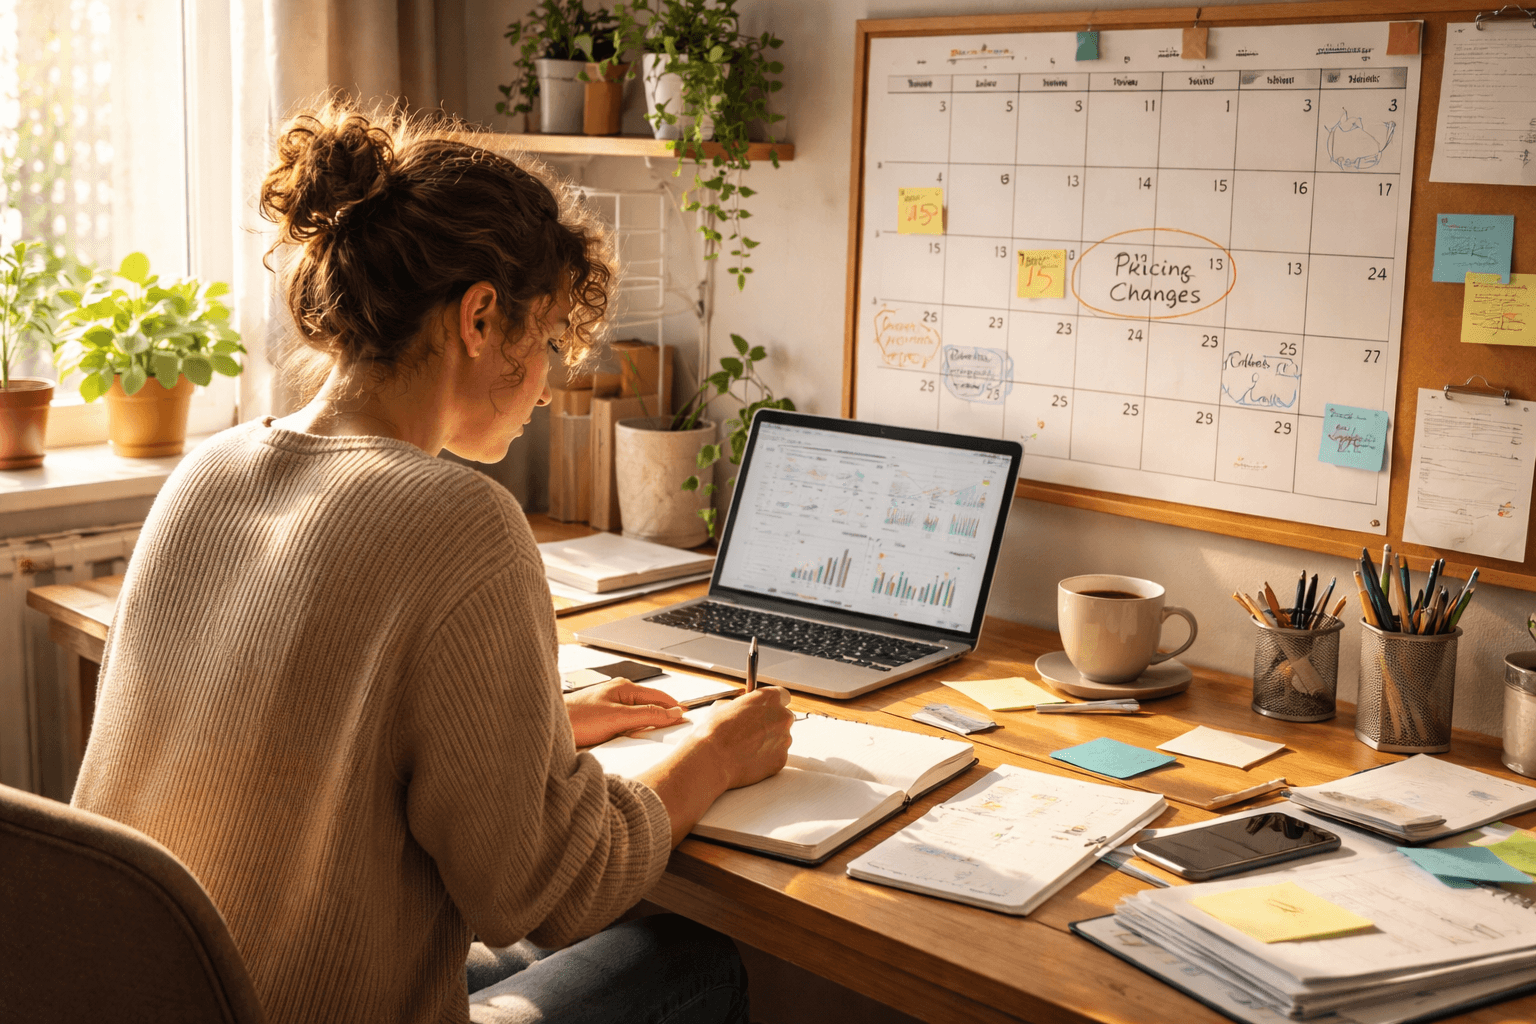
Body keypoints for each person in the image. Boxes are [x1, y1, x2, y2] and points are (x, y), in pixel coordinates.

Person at [70, 103, 795, 1024]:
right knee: (685, 956)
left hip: (166, 997)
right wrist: (713, 755)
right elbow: (546, 889)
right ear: (482, 317)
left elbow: (297, 740)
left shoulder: (207, 471)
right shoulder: (461, 522)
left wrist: (539, 732)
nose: (550, 384)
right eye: (551, 344)